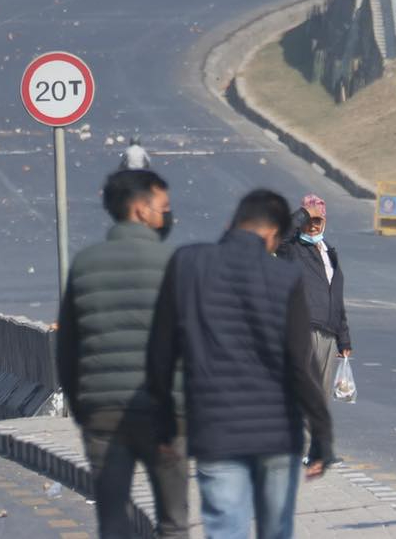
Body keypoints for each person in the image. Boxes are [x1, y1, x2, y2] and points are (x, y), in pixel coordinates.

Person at [146, 189, 331, 539]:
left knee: (225, 530)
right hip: (278, 434)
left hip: (217, 431)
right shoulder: (285, 278)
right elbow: (299, 364)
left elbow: (161, 353)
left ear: (232, 223)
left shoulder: (187, 263)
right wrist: (322, 433)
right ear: (273, 234)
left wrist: (164, 422)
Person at [58, 168, 186, 539]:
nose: (167, 215)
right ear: (141, 210)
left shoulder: (84, 264)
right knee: (173, 521)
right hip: (165, 416)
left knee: (113, 522)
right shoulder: (174, 264)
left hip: (103, 414)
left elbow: (67, 348)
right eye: (163, 207)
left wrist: (81, 408)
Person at [278, 194, 350, 441]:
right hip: (303, 329)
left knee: (320, 396)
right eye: (309, 221)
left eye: (318, 221)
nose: (313, 226)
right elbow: (281, 235)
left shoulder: (329, 252)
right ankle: (297, 446)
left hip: (328, 333)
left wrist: (344, 339)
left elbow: (335, 297)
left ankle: (312, 448)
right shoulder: (292, 249)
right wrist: (304, 214)